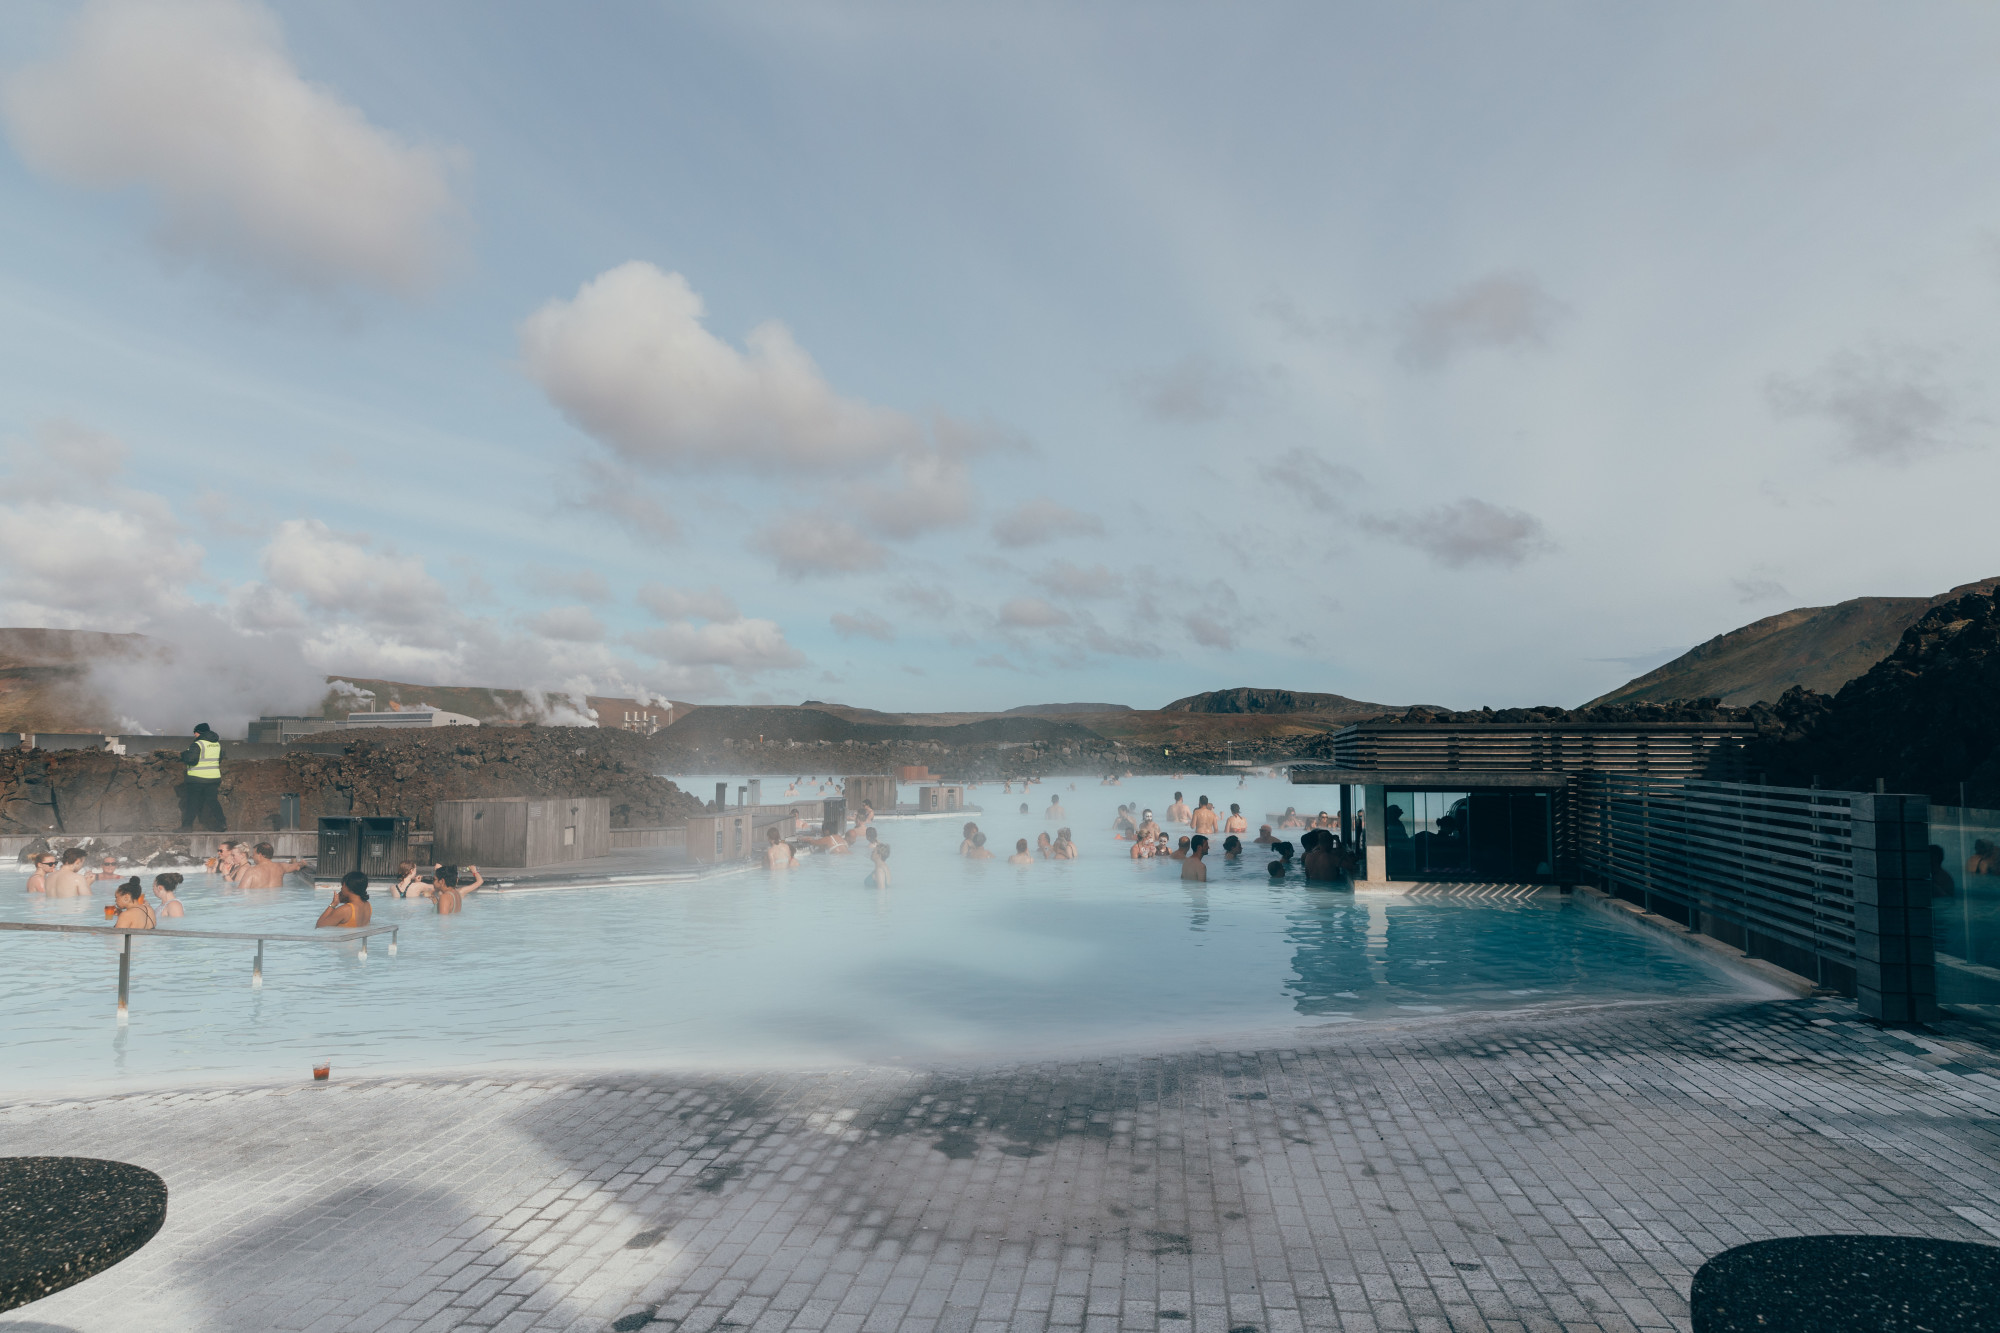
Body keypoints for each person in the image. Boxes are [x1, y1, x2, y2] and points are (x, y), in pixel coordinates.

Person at [177, 722, 227, 832]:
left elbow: (191, 759)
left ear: (199, 733)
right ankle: (222, 823)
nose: (194, 735)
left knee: (192, 802)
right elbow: (218, 760)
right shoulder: (217, 744)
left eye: (195, 732)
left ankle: (187, 826)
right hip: (213, 779)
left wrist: (184, 754)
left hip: (197, 779)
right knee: (213, 801)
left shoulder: (198, 744)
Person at [238, 843, 306, 890]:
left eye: (254, 854)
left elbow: (241, 893)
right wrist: (302, 863)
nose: (252, 857)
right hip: (277, 904)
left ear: (261, 855)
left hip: (260, 906)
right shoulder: (281, 867)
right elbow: (298, 865)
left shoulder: (251, 871)